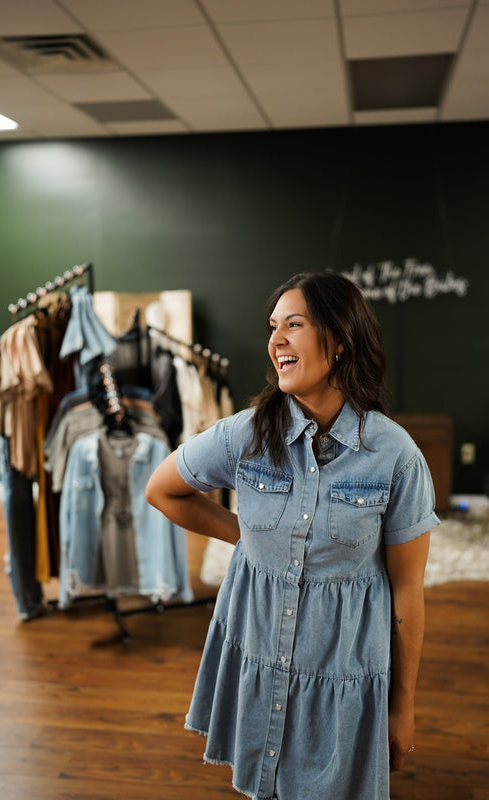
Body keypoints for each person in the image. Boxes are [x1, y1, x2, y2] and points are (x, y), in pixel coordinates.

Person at [145, 271, 439, 800]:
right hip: (262, 661)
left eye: (294, 325)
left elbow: (408, 594)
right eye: (272, 327)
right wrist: (249, 539)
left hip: (344, 680)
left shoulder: (395, 455)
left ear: (340, 338)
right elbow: (163, 490)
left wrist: (403, 706)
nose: (275, 341)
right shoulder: (245, 435)